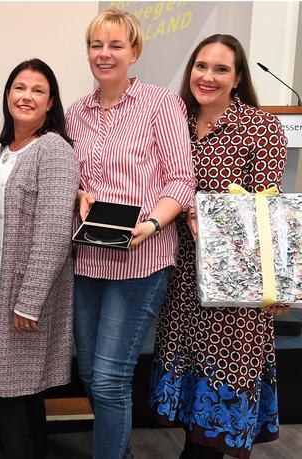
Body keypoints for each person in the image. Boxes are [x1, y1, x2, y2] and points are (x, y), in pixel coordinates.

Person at [149, 34, 288, 459]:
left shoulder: (261, 128)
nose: (207, 77)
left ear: (238, 77)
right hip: (182, 277)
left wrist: (277, 283)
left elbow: (269, 210)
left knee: (219, 400)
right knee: (191, 396)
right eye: (201, 66)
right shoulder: (174, 121)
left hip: (235, 287)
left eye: (221, 69)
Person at [65, 9, 196, 459]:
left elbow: (181, 179)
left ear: (134, 52)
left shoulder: (161, 104)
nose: (105, 54)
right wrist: (80, 191)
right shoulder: (76, 113)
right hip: (89, 259)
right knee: (89, 375)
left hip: (142, 259)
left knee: (109, 377)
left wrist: (153, 223)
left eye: (115, 45)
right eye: (96, 46)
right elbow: (74, 177)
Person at [0, 58, 79, 459]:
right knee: (24, 391)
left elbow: (55, 232)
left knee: (7, 391)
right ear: (7, 95)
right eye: (19, 87)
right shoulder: (2, 152)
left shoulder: (53, 149)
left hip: (25, 292)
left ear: (50, 101)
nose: (26, 96)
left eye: (38, 90)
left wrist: (30, 300)